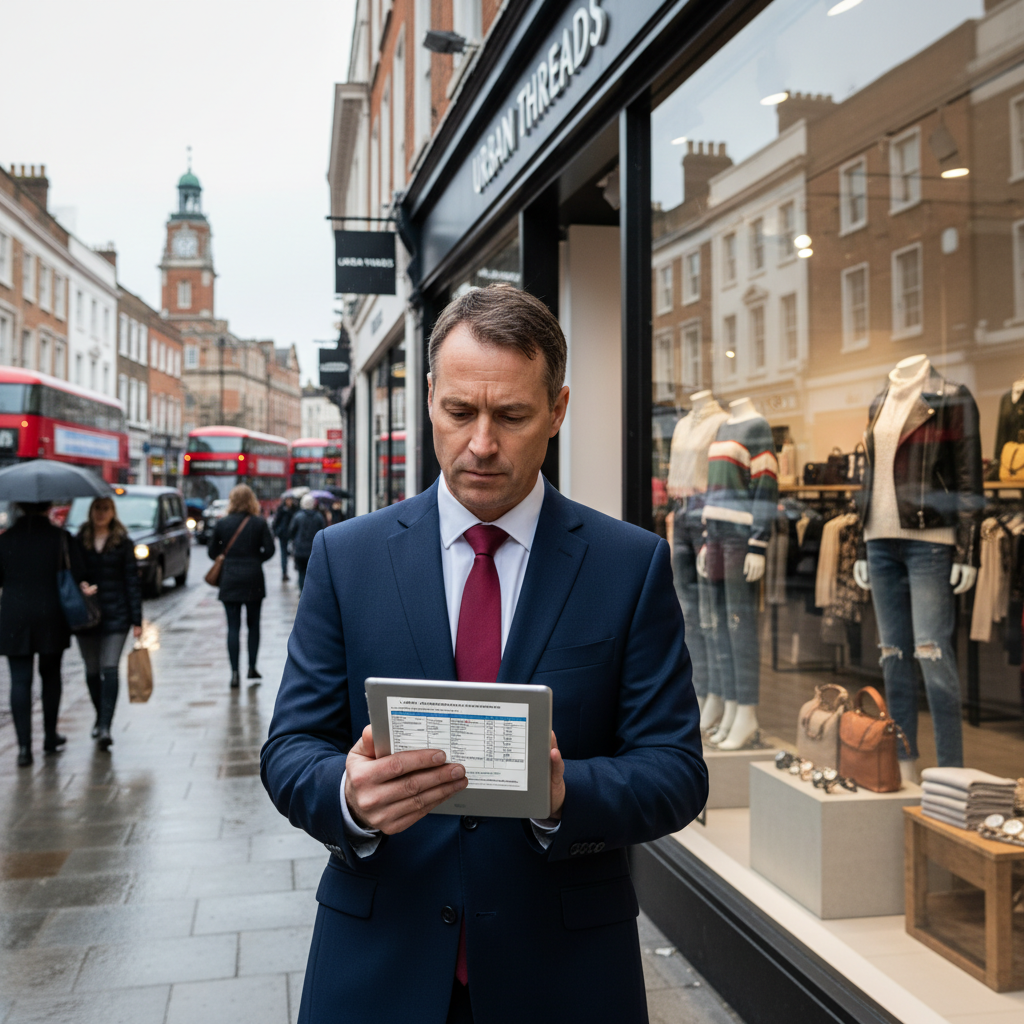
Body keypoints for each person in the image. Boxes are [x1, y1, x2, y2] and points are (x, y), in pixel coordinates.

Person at [261, 286, 707, 1024]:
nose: (482, 444)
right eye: (460, 411)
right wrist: (348, 797)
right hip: (378, 970)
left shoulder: (629, 567)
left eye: (512, 415)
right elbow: (289, 750)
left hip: (563, 978)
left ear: (558, 411)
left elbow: (677, 772)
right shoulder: (348, 559)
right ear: (430, 398)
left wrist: (568, 796)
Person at [0, 502, 85, 767]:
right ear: (47, 506)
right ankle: (49, 736)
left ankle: (24, 747)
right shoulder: (60, 537)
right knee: (51, 676)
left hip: (15, 613)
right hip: (51, 612)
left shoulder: (6, 539)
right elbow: (80, 571)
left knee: (20, 681)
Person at [75, 497, 143, 750]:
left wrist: (137, 620)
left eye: (106, 509)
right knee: (92, 670)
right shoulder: (79, 540)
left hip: (117, 614)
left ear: (113, 512)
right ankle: (99, 715)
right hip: (87, 615)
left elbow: (131, 582)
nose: (101, 514)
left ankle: (105, 725)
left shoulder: (123, 542)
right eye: (97, 509)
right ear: (90, 511)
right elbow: (71, 572)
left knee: (109, 667)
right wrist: (81, 585)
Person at [209, 484, 275, 688]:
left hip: (229, 578)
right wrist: (256, 559)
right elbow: (270, 549)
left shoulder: (223, 523)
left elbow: (212, 552)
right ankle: (252, 667)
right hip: (253, 577)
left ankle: (234, 673)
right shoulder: (258, 523)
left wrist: (227, 559)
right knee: (253, 626)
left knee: (233, 627)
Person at [288, 494, 326, 592]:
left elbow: (291, 531)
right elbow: (323, 532)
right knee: (313, 574)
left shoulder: (298, 516)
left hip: (300, 550)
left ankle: (302, 592)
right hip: (314, 550)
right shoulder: (318, 517)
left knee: (301, 572)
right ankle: (311, 592)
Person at [273, 495, 297, 580]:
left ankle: (295, 569)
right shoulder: (281, 509)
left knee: (293, 553)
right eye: (288, 500)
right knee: (284, 554)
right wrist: (276, 532)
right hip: (283, 534)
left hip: (292, 534)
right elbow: (276, 521)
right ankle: (284, 573)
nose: (289, 502)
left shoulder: (294, 509)